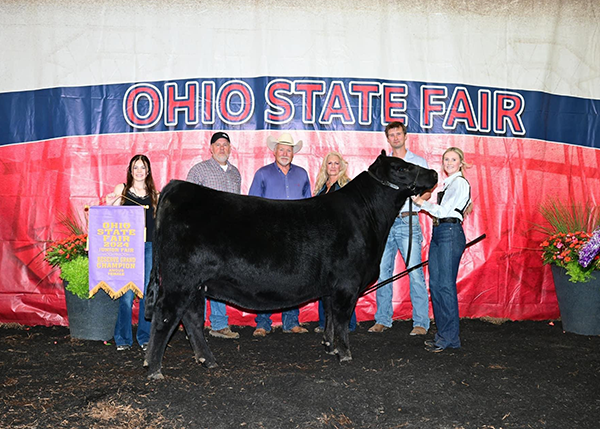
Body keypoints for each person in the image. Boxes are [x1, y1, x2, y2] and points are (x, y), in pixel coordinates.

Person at [369, 121, 432, 336]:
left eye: (398, 134)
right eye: (391, 135)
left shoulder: (417, 162)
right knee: (382, 271)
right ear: (387, 139)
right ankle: (383, 319)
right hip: (386, 223)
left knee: (415, 272)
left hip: (408, 220)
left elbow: (428, 192)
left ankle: (421, 322)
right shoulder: (384, 166)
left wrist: (418, 199)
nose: (395, 138)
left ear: (405, 136)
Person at [248, 132, 312, 337]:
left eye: (289, 150)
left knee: (294, 278)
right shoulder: (262, 174)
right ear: (274, 151)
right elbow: (253, 205)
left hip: (295, 236)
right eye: (282, 149)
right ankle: (263, 323)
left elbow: (308, 205)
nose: (285, 153)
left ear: (293, 153)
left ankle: (291, 321)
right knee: (265, 277)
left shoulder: (302, 174)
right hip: (269, 235)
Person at [412, 147, 472, 352]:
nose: (449, 162)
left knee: (445, 286)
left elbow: (446, 211)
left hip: (450, 232)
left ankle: (449, 338)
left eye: (453, 159)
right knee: (436, 285)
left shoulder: (460, 183)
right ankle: (444, 336)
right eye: (446, 159)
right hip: (440, 231)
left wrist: (422, 203)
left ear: (461, 162)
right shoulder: (447, 184)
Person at [186, 131, 241, 340]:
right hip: (203, 236)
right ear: (210, 148)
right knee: (197, 279)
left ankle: (218, 324)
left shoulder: (235, 173)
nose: (222, 148)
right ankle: (192, 324)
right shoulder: (199, 170)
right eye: (218, 144)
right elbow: (188, 204)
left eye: (225, 145)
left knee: (220, 279)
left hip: (228, 237)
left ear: (230, 148)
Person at [106, 154, 158, 351]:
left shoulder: (155, 194)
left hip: (149, 247)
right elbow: (108, 214)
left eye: (142, 167)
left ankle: (144, 337)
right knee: (126, 295)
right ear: (130, 170)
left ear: (148, 171)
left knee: (146, 293)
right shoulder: (122, 189)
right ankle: (122, 338)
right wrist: (110, 201)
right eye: (135, 167)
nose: (139, 171)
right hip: (127, 248)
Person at [312, 151, 357, 333]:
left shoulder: (347, 186)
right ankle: (325, 323)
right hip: (323, 242)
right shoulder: (322, 187)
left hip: (341, 242)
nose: (332, 166)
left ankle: (347, 323)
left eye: (336, 163)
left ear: (341, 166)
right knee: (324, 282)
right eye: (329, 163)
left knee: (343, 284)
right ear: (325, 166)